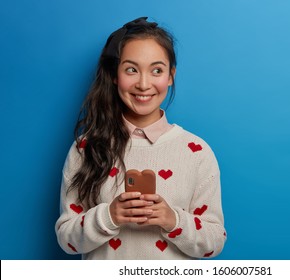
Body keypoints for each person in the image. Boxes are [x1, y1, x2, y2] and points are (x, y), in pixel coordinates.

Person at [55, 17, 226, 260]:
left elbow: (214, 241)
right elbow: (67, 240)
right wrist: (109, 216)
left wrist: (172, 220)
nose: (144, 84)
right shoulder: (86, 147)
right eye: (131, 70)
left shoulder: (196, 151)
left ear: (170, 76)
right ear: (115, 75)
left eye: (156, 70)